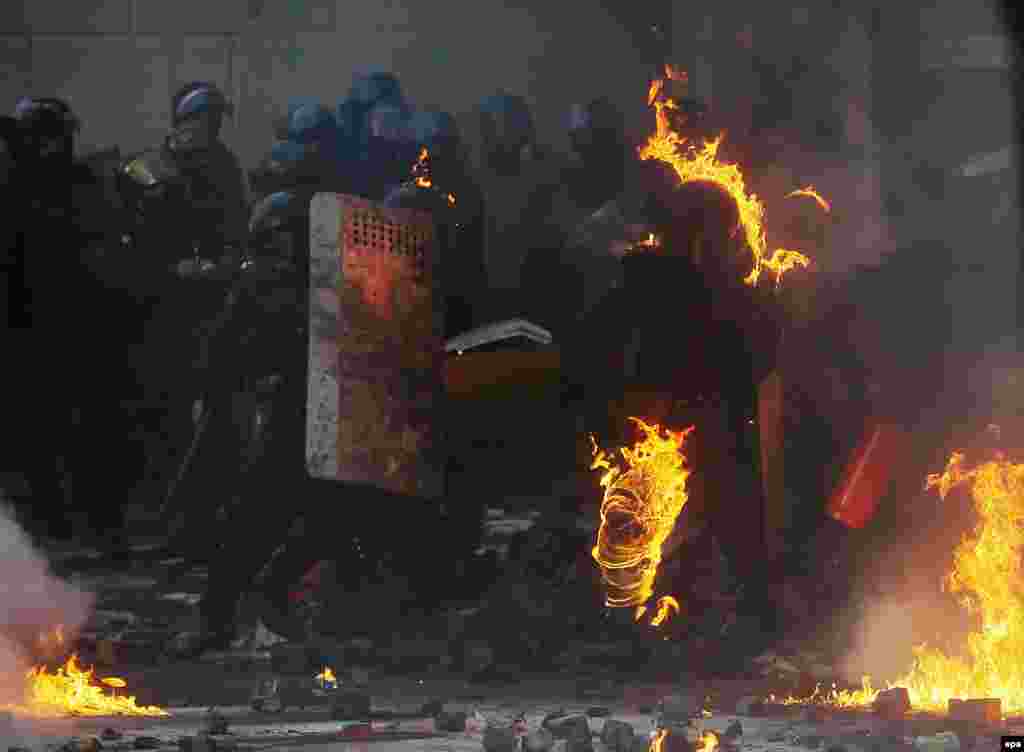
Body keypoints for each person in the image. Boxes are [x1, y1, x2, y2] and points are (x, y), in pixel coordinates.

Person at [565, 179, 785, 667]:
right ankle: (666, 623)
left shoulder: (640, 282)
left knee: (683, 533)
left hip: (682, 436)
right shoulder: (672, 287)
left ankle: (662, 623)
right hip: (677, 436)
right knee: (662, 533)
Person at [8, 97, 131, 541]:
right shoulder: (20, 183)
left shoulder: (75, 181)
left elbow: (103, 243)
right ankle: (58, 517)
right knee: (44, 429)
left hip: (71, 321)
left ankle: (86, 518)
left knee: (77, 427)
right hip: (35, 323)